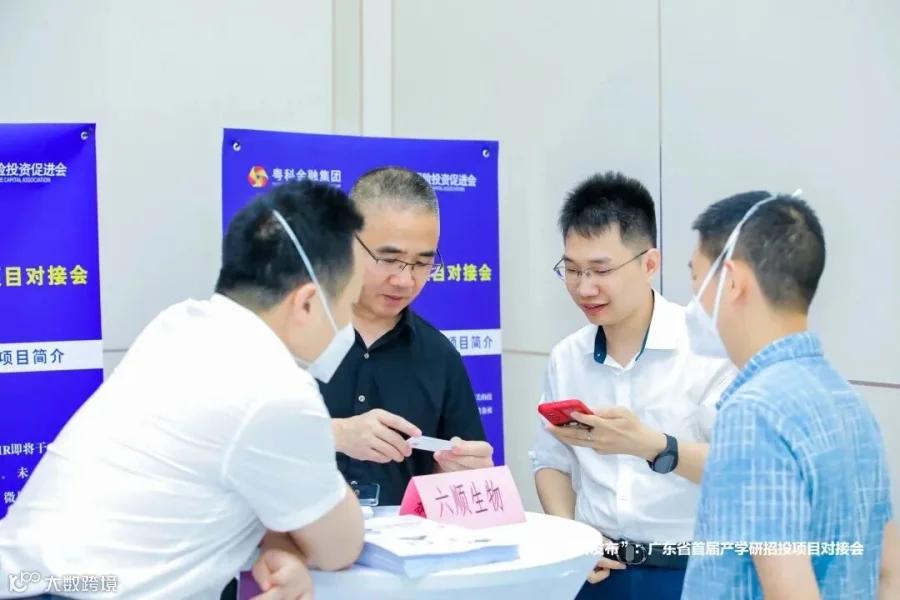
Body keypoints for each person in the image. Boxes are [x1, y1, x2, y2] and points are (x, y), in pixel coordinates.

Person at [0, 180, 367, 599]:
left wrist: (282, 544)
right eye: (350, 305)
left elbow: (229, 476)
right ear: (306, 303)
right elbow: (338, 547)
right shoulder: (274, 388)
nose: (348, 323)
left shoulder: (178, 326)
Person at [680, 191, 897, 599]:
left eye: (697, 278)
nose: (694, 299)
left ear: (733, 282)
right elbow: (889, 572)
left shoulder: (754, 413)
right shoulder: (850, 402)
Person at [531, 172, 736, 600]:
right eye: (572, 270)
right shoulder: (567, 356)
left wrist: (651, 445)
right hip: (597, 573)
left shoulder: (708, 350)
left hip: (687, 572)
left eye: (601, 270)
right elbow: (550, 461)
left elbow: (738, 469)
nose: (584, 288)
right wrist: (572, 537)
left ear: (649, 264)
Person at [320, 166, 493, 507]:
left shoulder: (439, 356)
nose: (405, 280)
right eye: (389, 259)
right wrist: (334, 434)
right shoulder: (289, 335)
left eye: (422, 263)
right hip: (291, 538)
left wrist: (466, 474)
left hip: (408, 538)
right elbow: (229, 440)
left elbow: (459, 492)